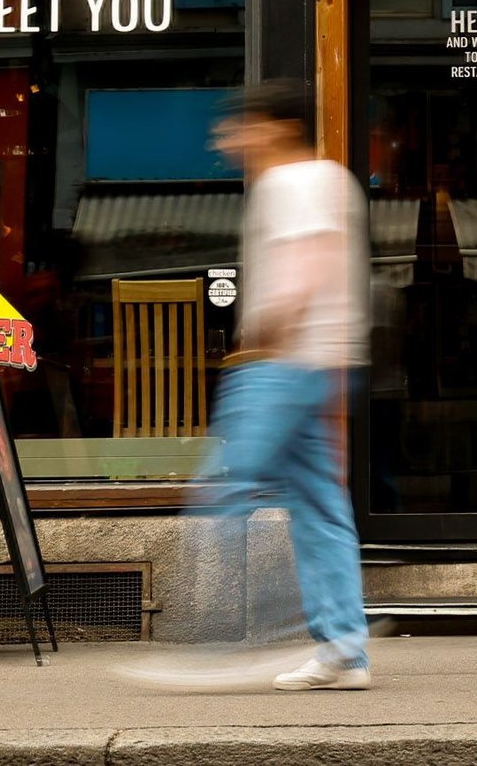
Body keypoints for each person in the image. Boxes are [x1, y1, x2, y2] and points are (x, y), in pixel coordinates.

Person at [129, 81, 373, 692]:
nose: (226, 138)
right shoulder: (331, 179)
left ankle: (219, 646)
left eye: (237, 127)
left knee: (222, 492)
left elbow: (313, 261)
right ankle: (343, 649)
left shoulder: (292, 182)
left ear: (273, 127)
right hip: (317, 366)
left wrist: (270, 330)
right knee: (320, 507)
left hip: (277, 363)